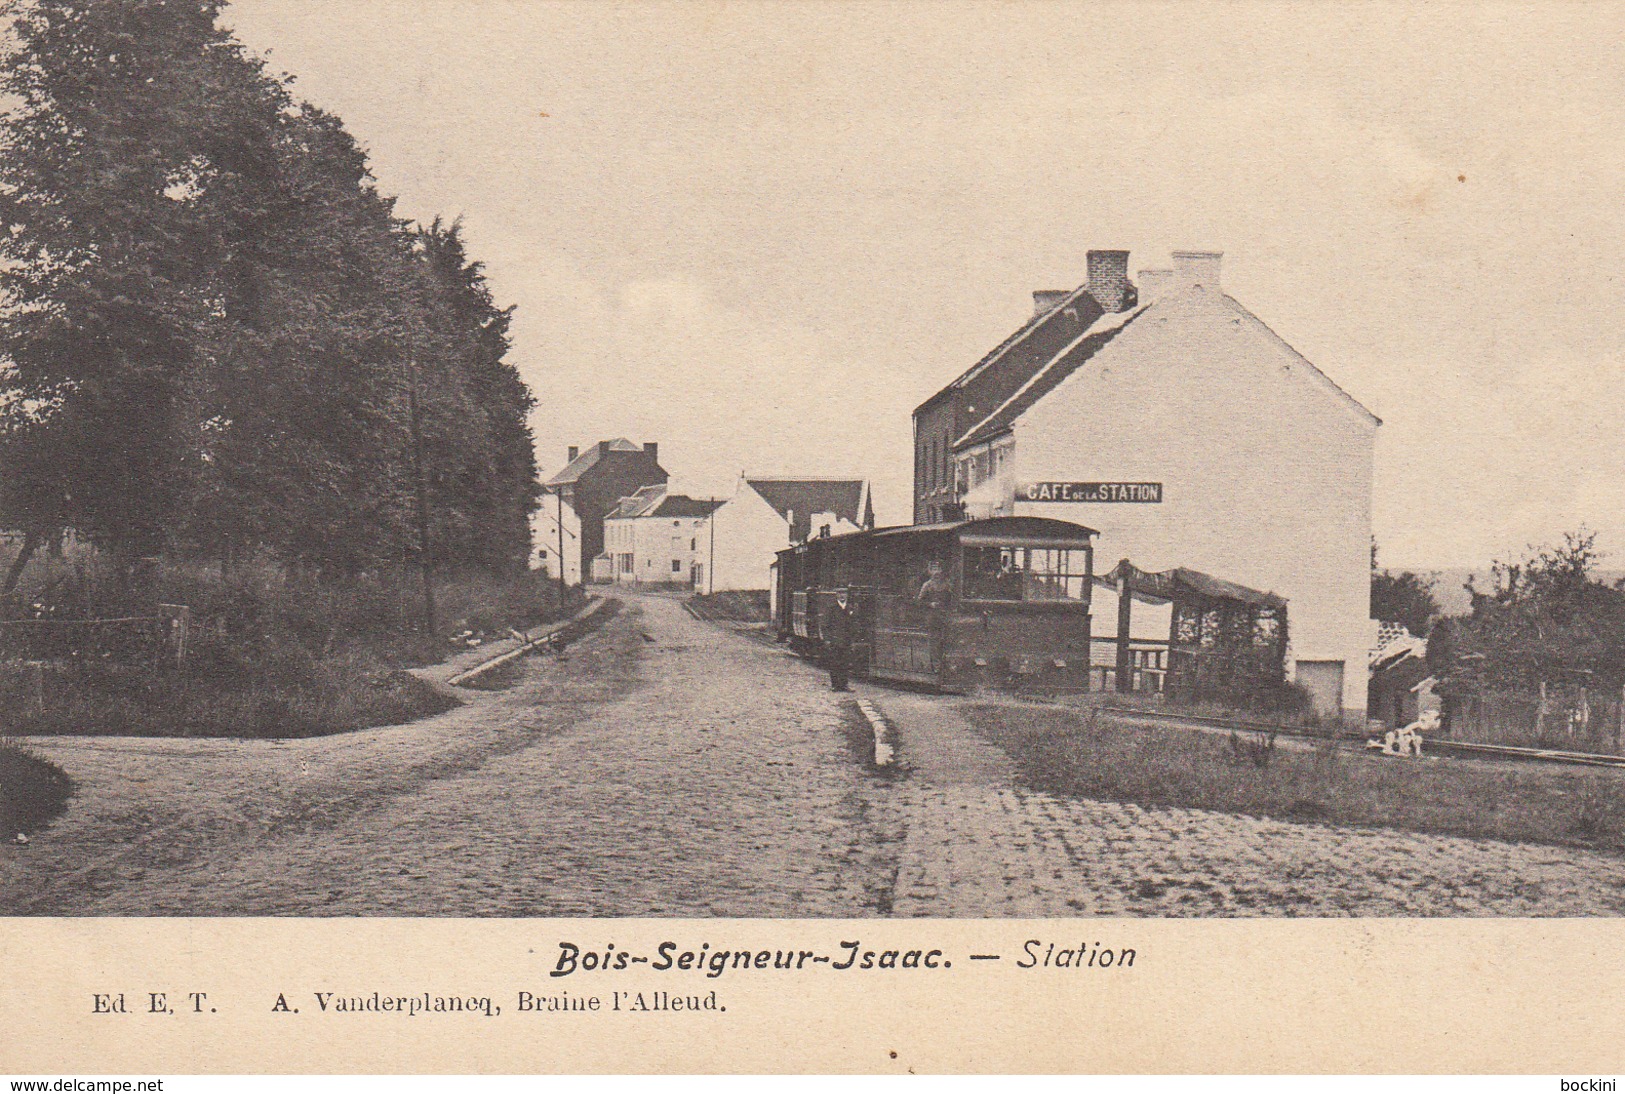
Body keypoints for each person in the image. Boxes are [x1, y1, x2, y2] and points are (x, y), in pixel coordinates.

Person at [823, 588, 855, 692]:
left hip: (846, 640)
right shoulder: (831, 608)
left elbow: (853, 625)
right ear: (836, 595)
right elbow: (825, 625)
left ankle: (844, 685)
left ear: (847, 595)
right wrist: (827, 639)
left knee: (845, 663)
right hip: (834, 640)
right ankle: (835, 685)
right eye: (840, 593)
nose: (842, 596)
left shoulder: (850, 608)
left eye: (844, 593)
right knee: (834, 663)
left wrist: (852, 640)